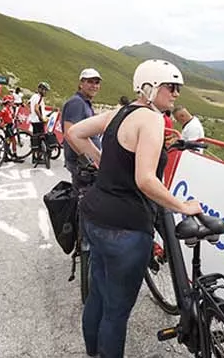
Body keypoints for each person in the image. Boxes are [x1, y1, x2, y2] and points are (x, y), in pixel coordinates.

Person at [65, 60, 205, 358]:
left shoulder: (120, 112)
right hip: (126, 229)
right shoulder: (152, 120)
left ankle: (92, 351)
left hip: (95, 216)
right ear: (151, 87)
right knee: (117, 312)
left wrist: (99, 160)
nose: (176, 93)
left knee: (98, 295)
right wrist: (182, 205)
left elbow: (74, 133)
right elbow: (144, 179)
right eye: (171, 86)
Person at [62, 68, 103, 178]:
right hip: (81, 163)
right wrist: (87, 161)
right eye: (90, 82)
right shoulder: (77, 103)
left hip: (84, 162)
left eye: (97, 82)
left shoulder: (85, 103)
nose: (94, 86)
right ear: (81, 84)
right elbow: (69, 134)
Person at [29, 81, 52, 166]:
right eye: (44, 90)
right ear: (40, 89)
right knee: (39, 139)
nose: (45, 92)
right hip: (38, 121)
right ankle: (37, 158)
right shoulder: (38, 97)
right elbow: (36, 109)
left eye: (46, 90)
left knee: (36, 139)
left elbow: (30, 105)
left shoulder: (34, 97)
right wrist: (41, 118)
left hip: (34, 120)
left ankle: (35, 157)